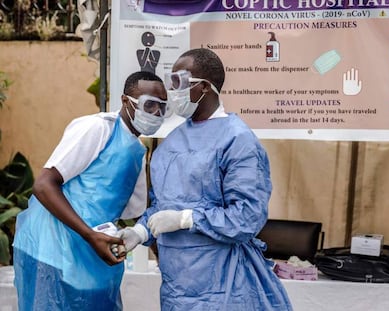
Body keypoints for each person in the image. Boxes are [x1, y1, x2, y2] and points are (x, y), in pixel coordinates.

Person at [118, 48, 293, 310]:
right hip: (177, 285)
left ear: (203, 88)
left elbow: (247, 216)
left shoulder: (238, 140)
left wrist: (187, 219)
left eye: (179, 82)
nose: (172, 90)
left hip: (224, 284)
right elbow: (163, 205)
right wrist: (141, 231)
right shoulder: (172, 141)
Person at [12, 71, 169, 311]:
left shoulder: (137, 151)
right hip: (52, 247)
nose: (156, 114)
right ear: (126, 101)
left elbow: (138, 214)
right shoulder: (97, 128)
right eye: (150, 105)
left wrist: (161, 257)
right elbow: (44, 184)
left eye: (162, 108)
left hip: (92, 253)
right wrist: (89, 235)